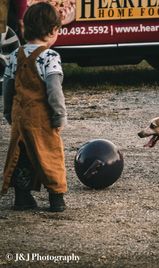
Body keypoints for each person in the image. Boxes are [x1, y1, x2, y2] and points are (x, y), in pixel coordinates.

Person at [2, 2, 68, 212]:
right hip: (42, 118)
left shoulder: (14, 55)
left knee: (21, 155)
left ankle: (22, 197)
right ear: (53, 31)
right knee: (50, 154)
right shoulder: (50, 57)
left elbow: (8, 87)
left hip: (20, 116)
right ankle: (56, 198)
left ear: (24, 28)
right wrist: (59, 116)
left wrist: (7, 111)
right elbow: (54, 91)